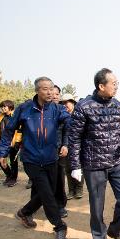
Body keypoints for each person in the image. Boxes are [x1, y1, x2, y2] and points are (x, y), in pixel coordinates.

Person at [0, 77, 70, 239]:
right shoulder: (25, 109)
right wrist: (2, 153)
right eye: (45, 89)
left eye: (51, 89)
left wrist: (66, 142)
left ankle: (25, 212)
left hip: (51, 158)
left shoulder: (57, 109)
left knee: (49, 190)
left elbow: (70, 123)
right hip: (31, 159)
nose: (49, 92)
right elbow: (9, 131)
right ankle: (59, 227)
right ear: (37, 90)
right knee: (47, 194)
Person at [68, 68, 120, 239]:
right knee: (97, 206)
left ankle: (115, 230)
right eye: (114, 84)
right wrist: (75, 165)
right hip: (94, 165)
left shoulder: (118, 105)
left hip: (117, 162)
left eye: (117, 83)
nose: (117, 87)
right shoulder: (84, 106)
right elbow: (74, 137)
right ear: (101, 85)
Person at [60, 93, 84, 200]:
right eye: (63, 103)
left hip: (78, 145)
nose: (65, 105)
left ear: (73, 103)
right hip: (65, 146)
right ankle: (71, 190)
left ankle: (79, 189)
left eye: (67, 102)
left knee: (78, 167)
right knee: (68, 169)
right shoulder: (62, 116)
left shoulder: (79, 114)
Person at [51, 85, 69, 218]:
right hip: (43, 151)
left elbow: (67, 129)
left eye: (58, 94)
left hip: (59, 149)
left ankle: (60, 205)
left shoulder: (62, 110)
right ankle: (35, 205)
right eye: (53, 94)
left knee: (59, 178)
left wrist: (65, 144)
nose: (55, 96)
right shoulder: (39, 111)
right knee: (41, 180)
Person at [0, 100, 22, 187]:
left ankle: (13, 179)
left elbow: (19, 130)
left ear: (10, 107)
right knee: (1, 160)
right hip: (2, 143)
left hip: (13, 143)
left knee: (13, 161)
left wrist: (17, 142)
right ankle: (9, 175)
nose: (3, 108)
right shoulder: (1, 116)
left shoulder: (15, 116)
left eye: (5, 106)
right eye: (2, 107)